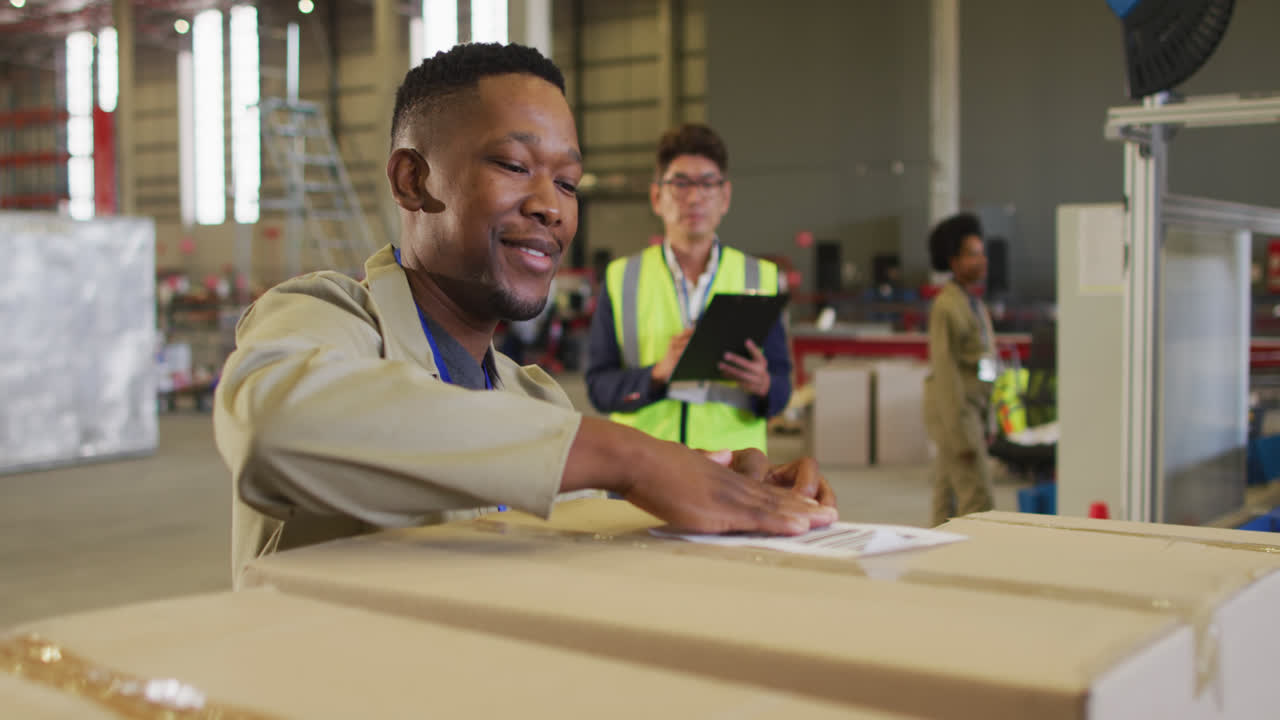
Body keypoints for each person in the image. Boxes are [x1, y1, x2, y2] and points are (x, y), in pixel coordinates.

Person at [213, 44, 836, 583]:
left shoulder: (534, 401)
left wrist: (726, 490)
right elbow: (274, 425)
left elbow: (586, 517)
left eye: (567, 183)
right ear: (412, 181)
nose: (552, 208)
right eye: (514, 166)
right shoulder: (324, 319)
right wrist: (629, 455)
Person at [584, 124, 791, 452]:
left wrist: (764, 385)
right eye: (680, 184)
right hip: (640, 470)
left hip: (733, 472)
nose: (694, 197)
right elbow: (599, 389)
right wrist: (656, 375)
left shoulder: (762, 278)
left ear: (725, 197)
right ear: (656, 197)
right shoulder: (621, 277)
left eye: (708, 184)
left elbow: (782, 390)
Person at [922, 212, 996, 527]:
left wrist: (988, 416)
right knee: (977, 500)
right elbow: (946, 371)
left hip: (973, 410)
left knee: (947, 495)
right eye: (972, 254)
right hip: (957, 413)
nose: (981, 260)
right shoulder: (946, 307)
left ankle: (936, 561)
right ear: (953, 261)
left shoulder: (974, 304)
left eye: (982, 252)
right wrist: (960, 433)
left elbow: (985, 363)